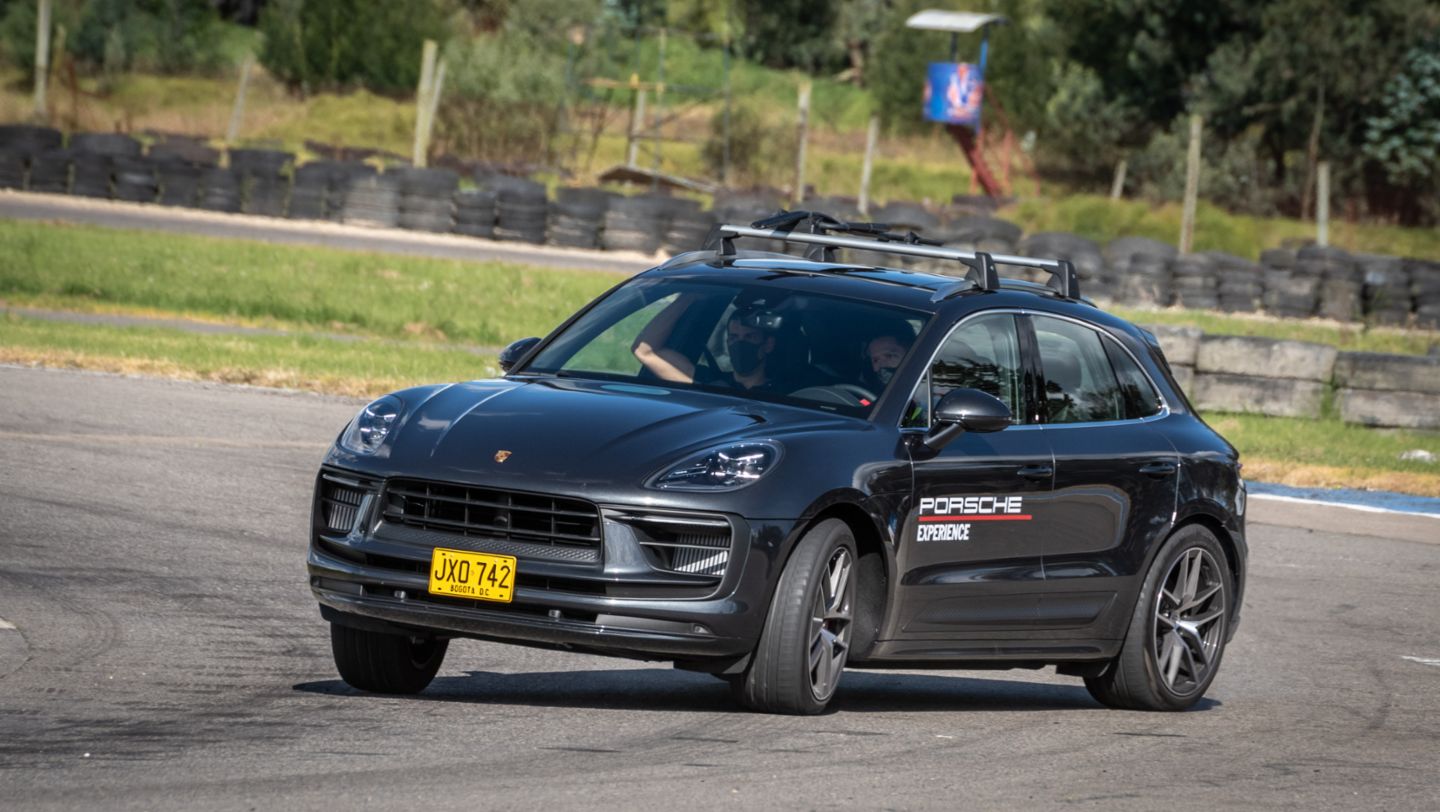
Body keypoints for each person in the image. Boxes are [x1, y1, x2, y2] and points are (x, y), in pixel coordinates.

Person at [633, 294, 784, 391]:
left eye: (749, 337)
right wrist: (689, 296)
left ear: (768, 344)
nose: (740, 344)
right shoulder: (707, 381)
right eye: (734, 338)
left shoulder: (786, 393)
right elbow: (644, 351)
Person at [857, 321, 915, 394]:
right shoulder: (866, 391)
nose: (881, 365)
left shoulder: (922, 392)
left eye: (889, 356)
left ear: (910, 355)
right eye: (875, 360)